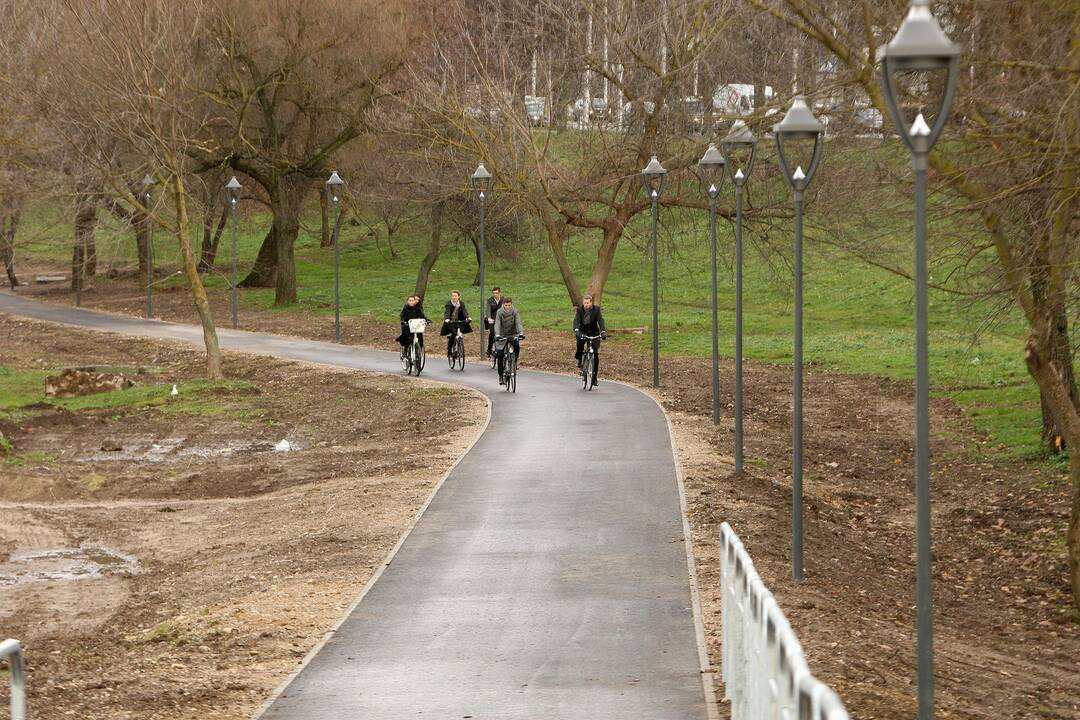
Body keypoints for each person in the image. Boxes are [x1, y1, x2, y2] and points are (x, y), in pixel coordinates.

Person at [492, 296, 524, 384]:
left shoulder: (515, 311)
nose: (508, 307)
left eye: (509, 305)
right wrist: (497, 334)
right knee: (500, 354)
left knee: (517, 346)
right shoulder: (499, 312)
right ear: (503, 305)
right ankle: (501, 376)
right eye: (506, 305)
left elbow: (518, 322)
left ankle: (515, 362)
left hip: (513, 333)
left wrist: (521, 333)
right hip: (501, 335)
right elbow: (497, 323)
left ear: (511, 304)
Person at [574, 294, 607, 374]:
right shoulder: (579, 310)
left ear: (591, 303)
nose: (586, 305)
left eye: (587, 303)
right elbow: (576, 321)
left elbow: (600, 321)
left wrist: (603, 331)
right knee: (580, 344)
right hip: (582, 331)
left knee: (595, 353)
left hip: (593, 332)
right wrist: (576, 330)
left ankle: (594, 377)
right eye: (585, 303)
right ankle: (579, 359)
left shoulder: (596, 310)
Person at [485, 286, 502, 358]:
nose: (495, 294)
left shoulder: (503, 299)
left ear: (499, 293)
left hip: (501, 319)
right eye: (494, 293)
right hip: (492, 319)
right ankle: (489, 349)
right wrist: (489, 318)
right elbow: (488, 309)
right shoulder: (490, 300)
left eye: (496, 293)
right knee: (492, 333)